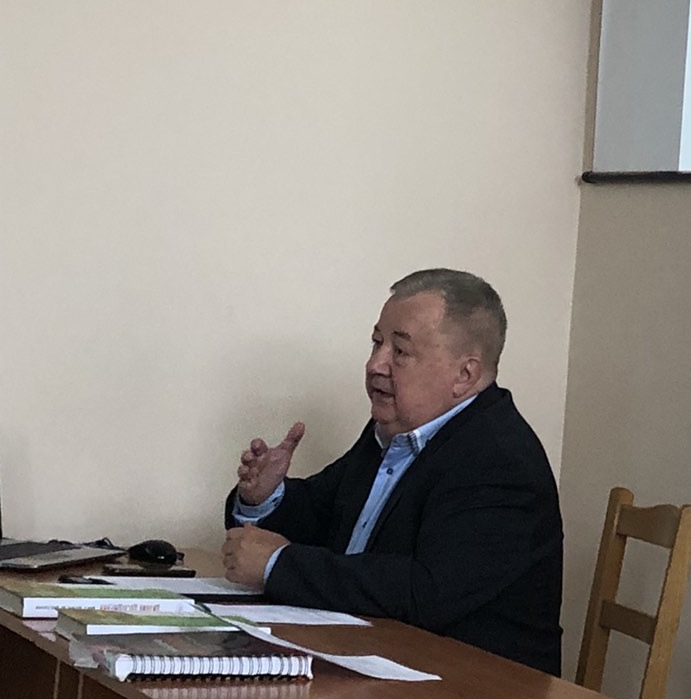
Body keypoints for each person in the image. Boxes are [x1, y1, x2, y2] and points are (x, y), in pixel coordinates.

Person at [222, 269, 563, 675]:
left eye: (399, 351)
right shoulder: (394, 432)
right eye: (376, 343)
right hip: (377, 661)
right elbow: (325, 517)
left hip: (477, 690)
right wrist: (263, 498)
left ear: (465, 375)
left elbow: (425, 592)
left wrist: (278, 565)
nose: (375, 365)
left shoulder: (500, 458)